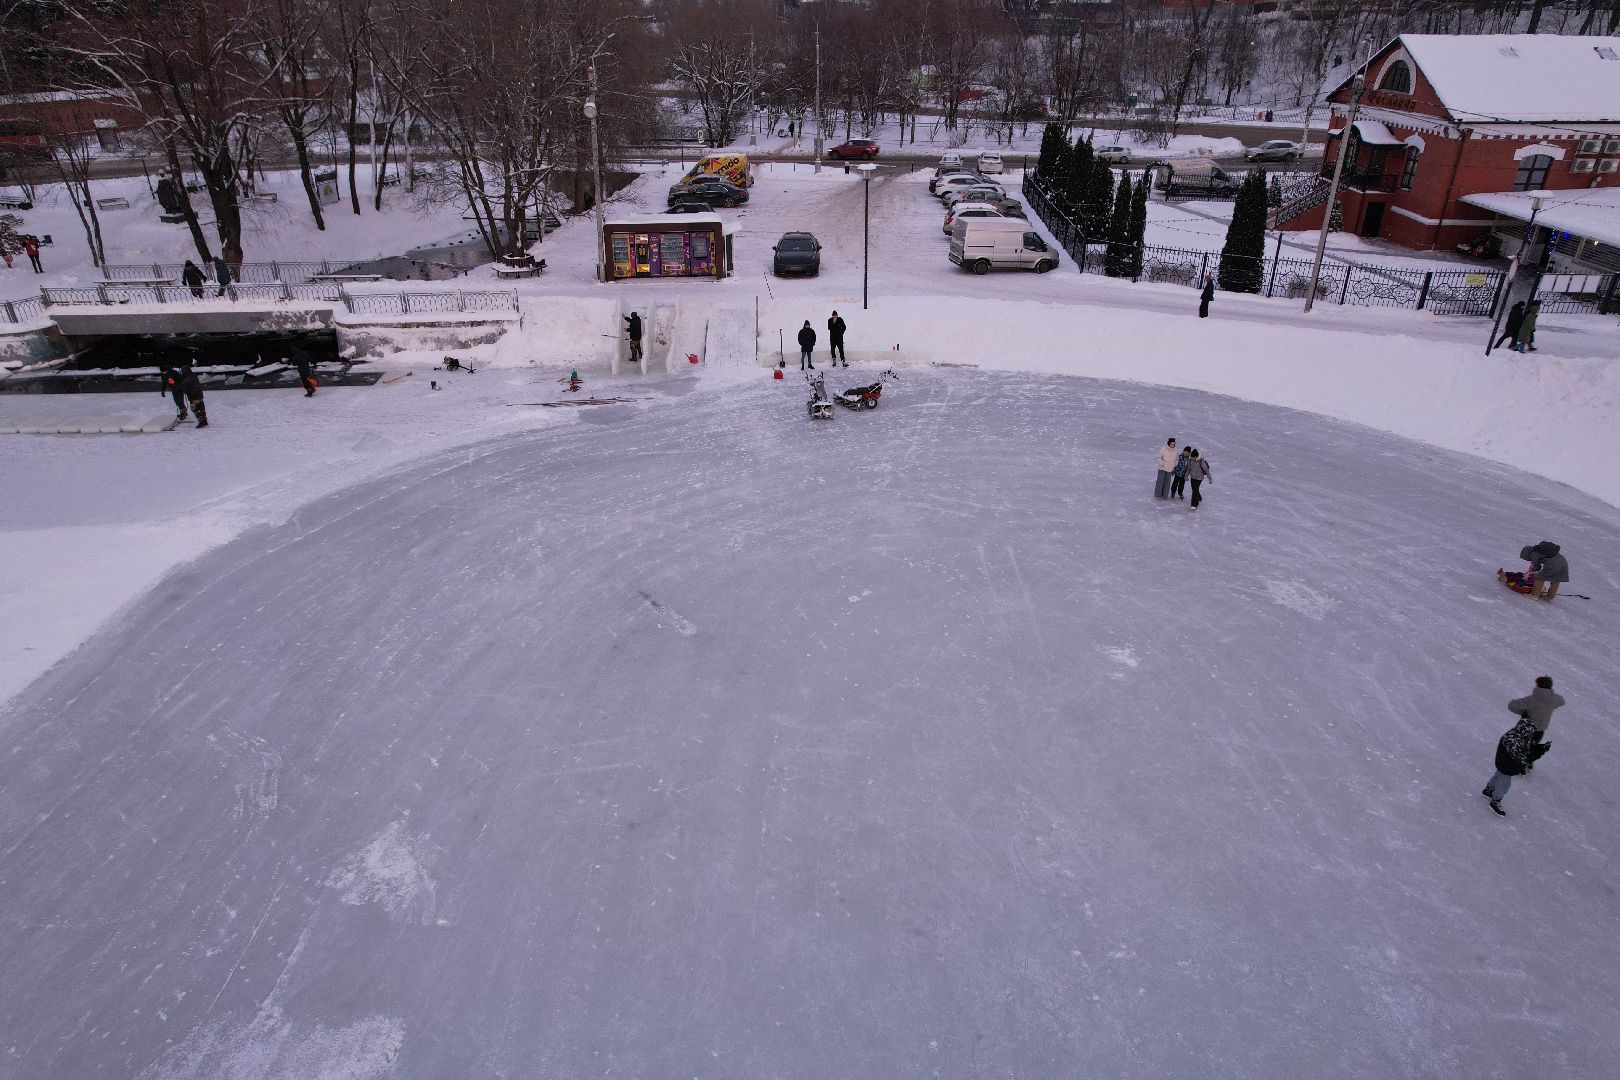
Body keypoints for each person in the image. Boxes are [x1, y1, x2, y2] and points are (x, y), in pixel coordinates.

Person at [1482, 714, 1539, 816]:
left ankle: (1489, 790)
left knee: (1498, 776)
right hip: (1507, 766)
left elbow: (1526, 745)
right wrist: (1537, 753)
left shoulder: (1516, 735)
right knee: (1504, 784)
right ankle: (1496, 801)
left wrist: (1538, 747)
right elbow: (1521, 757)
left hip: (1502, 764)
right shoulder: (1515, 741)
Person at [1508, 675, 1564, 766]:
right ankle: (1528, 763)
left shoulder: (1531, 700)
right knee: (1531, 746)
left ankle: (1517, 765)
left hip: (1527, 728)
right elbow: (1562, 701)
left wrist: (1522, 713)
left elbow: (1512, 706)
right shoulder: (1554, 699)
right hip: (1540, 730)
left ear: (1538, 685)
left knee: (1521, 746)